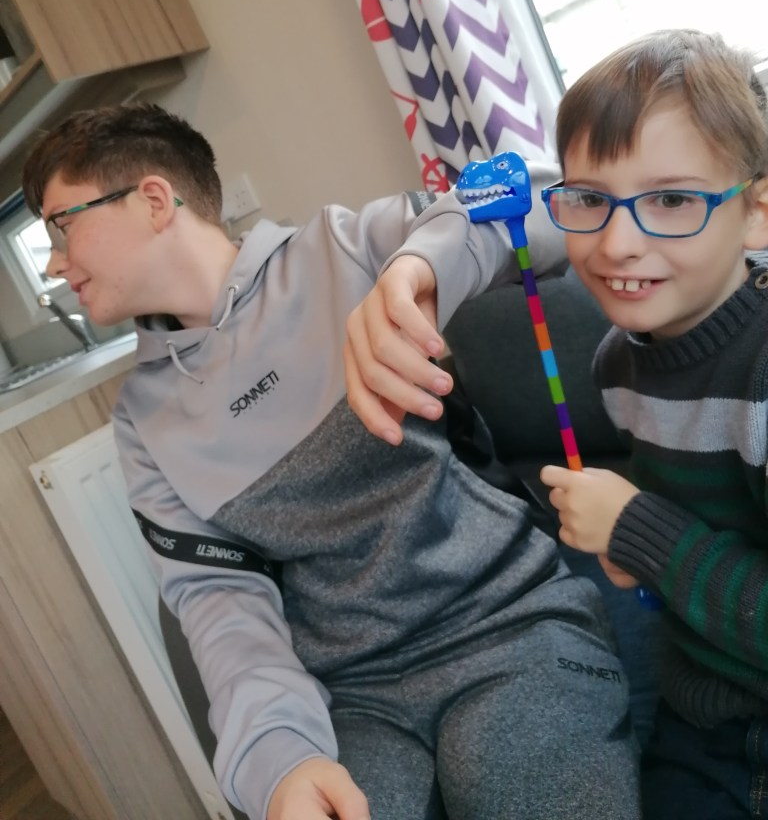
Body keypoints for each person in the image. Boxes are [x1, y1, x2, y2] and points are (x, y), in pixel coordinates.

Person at [22, 103, 640, 820]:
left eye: (61, 226)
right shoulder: (142, 421)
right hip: (354, 698)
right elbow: (222, 607)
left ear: (154, 200)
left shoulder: (344, 248)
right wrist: (280, 759)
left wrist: (420, 266)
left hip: (508, 625)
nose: (55, 264)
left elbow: (564, 203)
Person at [531, 28, 768, 819]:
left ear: (756, 214)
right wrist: (643, 555)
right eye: (590, 199)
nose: (618, 242)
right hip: (703, 714)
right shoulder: (617, 365)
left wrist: (642, 532)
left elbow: (663, 533)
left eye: (671, 199)